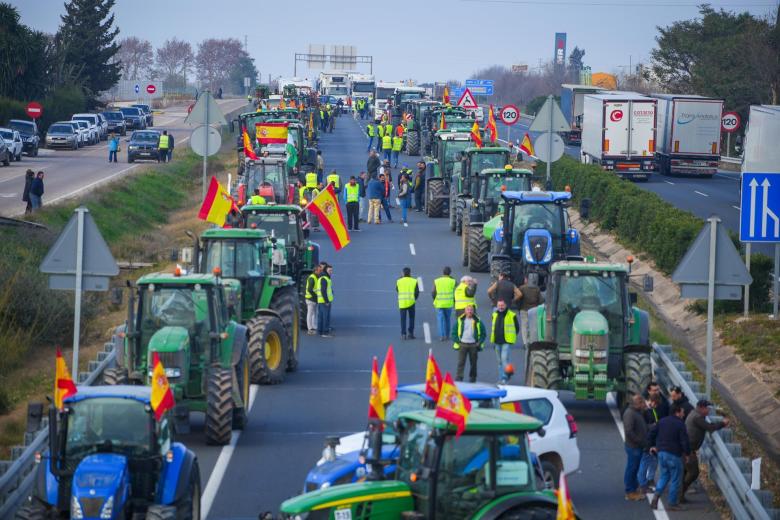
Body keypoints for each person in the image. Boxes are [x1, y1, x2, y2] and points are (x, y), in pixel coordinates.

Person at [682, 400, 729, 503]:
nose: (709, 411)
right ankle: (679, 494)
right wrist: (723, 423)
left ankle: (679, 495)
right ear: (702, 408)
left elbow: (707, 425)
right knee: (693, 472)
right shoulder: (697, 417)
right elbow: (710, 427)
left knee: (684, 473)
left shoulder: (695, 414)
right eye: (708, 409)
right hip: (688, 450)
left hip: (686, 448)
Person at [649, 404, 691, 511]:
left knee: (664, 476)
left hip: (661, 453)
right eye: (682, 411)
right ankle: (672, 503)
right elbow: (684, 441)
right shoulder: (680, 424)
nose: (683, 413)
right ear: (677, 412)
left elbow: (651, 434)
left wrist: (652, 445)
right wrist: (687, 453)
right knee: (675, 479)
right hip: (674, 455)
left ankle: (656, 497)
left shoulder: (661, 421)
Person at [623, 394, 649, 501]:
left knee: (634, 468)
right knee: (632, 469)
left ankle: (633, 489)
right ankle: (630, 492)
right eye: (642, 403)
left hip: (637, 446)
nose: (644, 404)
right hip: (634, 446)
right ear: (638, 403)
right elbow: (629, 431)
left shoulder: (637, 412)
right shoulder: (630, 414)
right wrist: (640, 441)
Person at [452, 304, 486, 383]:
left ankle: (472, 378)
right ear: (465, 311)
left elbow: (483, 334)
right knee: (461, 362)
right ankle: (459, 378)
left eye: (471, 310)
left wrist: (479, 343)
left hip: (473, 345)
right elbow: (454, 332)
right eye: (468, 310)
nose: (469, 311)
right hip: (463, 344)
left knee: (473, 363)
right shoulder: (460, 320)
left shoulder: (478, 321)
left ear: (473, 311)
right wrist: (458, 342)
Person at [491, 299, 520, 384]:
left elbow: (517, 328)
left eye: (502, 305)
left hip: (506, 341)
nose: (500, 307)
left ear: (505, 305)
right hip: (496, 341)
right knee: (499, 361)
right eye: (499, 305)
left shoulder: (512, 315)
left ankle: (506, 375)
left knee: (504, 359)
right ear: (497, 306)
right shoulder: (494, 314)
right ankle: (501, 379)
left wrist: (512, 337)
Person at [638, 394, 662, 493]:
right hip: (646, 441)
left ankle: (650, 479)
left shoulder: (652, 410)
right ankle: (642, 484)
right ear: (650, 401)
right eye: (654, 404)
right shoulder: (643, 412)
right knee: (644, 462)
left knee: (654, 461)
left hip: (653, 440)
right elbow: (642, 426)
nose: (655, 406)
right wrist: (653, 426)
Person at [517, 275, 543, 345]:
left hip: (524, 309)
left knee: (524, 326)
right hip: (534, 310)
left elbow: (517, 298)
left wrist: (518, 307)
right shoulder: (537, 289)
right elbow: (541, 300)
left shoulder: (522, 288)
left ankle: (526, 342)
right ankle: (532, 342)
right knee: (533, 326)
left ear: (526, 279)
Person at [432, 266, 456, 342]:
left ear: (443, 272)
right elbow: (458, 287)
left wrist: (435, 298)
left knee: (440, 320)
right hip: (448, 303)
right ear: (450, 273)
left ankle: (442, 336)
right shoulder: (452, 281)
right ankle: (447, 335)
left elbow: (433, 292)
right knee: (447, 319)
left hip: (439, 303)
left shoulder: (437, 281)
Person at [396, 267, 419, 340]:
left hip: (402, 302)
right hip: (411, 302)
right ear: (410, 273)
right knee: (411, 318)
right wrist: (414, 299)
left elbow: (397, 289)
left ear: (402, 273)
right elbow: (417, 292)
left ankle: (403, 334)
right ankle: (411, 333)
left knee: (403, 319)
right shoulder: (414, 281)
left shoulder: (399, 281)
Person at [305, 264, 322, 335]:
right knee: (310, 313)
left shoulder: (316, 277)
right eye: (319, 270)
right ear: (315, 270)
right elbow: (309, 289)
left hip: (313, 298)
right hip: (311, 298)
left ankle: (314, 326)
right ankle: (310, 328)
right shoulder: (312, 278)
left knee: (314, 313)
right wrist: (316, 297)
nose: (320, 272)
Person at [317, 264, 333, 337]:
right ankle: (325, 332)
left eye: (332, 270)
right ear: (326, 270)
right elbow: (323, 291)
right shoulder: (324, 278)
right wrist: (326, 301)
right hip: (325, 301)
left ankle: (320, 331)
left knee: (321, 317)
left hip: (321, 301)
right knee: (326, 317)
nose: (331, 272)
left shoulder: (322, 277)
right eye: (329, 270)